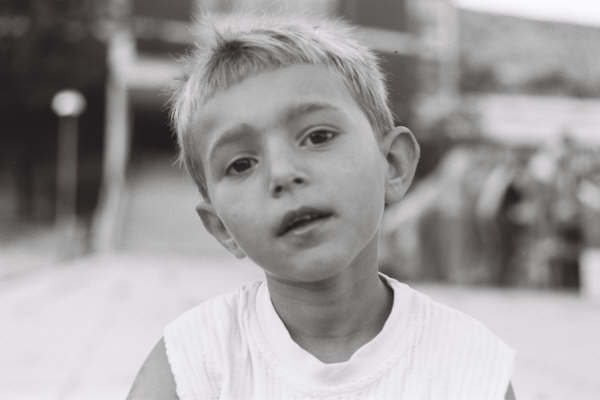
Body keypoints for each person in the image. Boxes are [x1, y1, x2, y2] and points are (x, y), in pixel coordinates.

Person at [128, 13, 516, 399]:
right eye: (242, 164)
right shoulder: (192, 367)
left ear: (392, 164)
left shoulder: (469, 368)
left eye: (317, 137)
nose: (283, 173)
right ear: (221, 228)